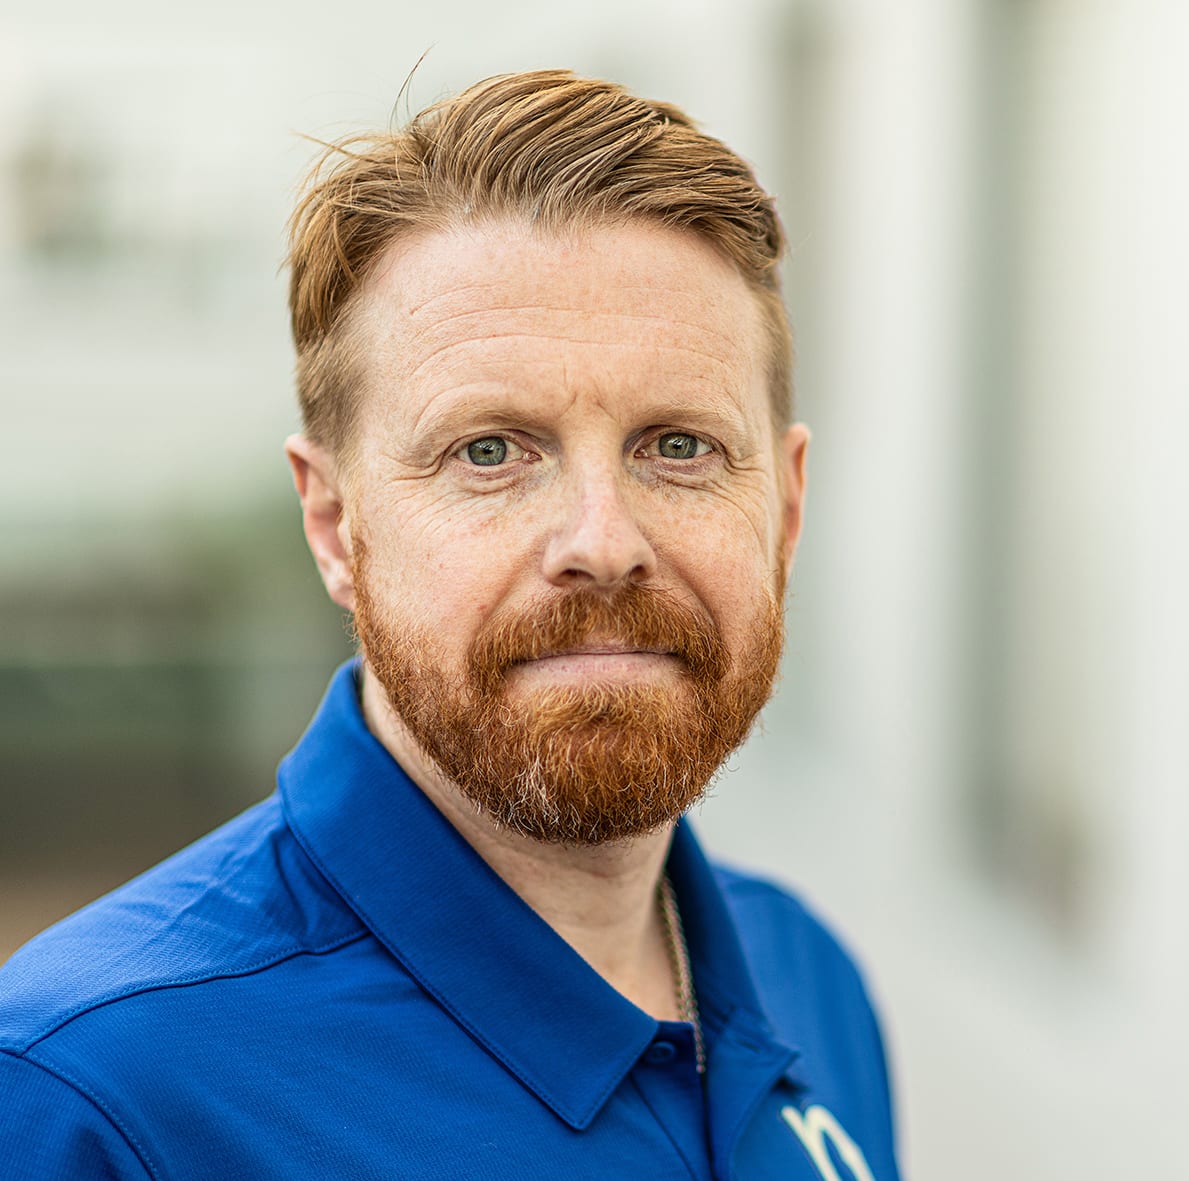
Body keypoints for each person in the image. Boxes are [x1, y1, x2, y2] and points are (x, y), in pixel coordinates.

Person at [0, 70, 896, 1181]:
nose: (602, 541)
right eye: (489, 451)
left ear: (787, 509)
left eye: (679, 446)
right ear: (334, 525)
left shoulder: (811, 980)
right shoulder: (88, 1095)